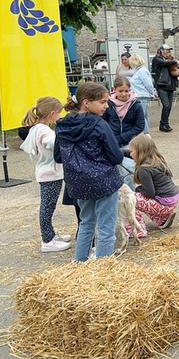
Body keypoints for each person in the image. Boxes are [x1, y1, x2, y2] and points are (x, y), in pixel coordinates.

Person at [54, 82, 124, 262]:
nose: (106, 106)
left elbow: (58, 156)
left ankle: (79, 265)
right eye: (102, 102)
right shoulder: (99, 124)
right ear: (86, 102)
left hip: (78, 183)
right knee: (106, 228)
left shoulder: (62, 125)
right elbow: (116, 156)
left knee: (86, 223)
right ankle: (103, 270)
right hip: (104, 181)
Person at [20, 97, 72, 253]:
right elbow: (51, 143)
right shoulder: (44, 130)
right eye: (59, 114)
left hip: (47, 172)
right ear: (53, 113)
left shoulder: (37, 127)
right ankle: (47, 240)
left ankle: (50, 234)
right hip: (50, 174)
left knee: (48, 206)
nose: (60, 117)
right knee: (47, 208)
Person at [129, 134, 179, 235]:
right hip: (172, 199)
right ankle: (162, 219)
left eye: (131, 152)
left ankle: (139, 230)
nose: (130, 155)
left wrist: (138, 189)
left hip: (164, 203)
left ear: (140, 152)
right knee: (143, 199)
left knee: (130, 198)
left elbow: (149, 193)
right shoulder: (156, 160)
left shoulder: (144, 169)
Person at [102, 77, 145, 149]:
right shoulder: (108, 104)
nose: (124, 94)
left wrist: (122, 138)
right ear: (114, 90)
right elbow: (103, 121)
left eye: (126, 91)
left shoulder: (136, 105)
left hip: (130, 141)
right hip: (112, 141)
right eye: (120, 91)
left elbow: (140, 126)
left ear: (130, 90)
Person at [151, 44, 179, 132]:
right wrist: (175, 61)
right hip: (161, 86)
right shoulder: (157, 59)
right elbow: (164, 63)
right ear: (161, 51)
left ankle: (164, 124)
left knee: (169, 106)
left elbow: (174, 70)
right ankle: (164, 124)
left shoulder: (167, 60)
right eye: (166, 51)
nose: (168, 52)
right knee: (166, 105)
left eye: (169, 51)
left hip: (170, 85)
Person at [128, 54, 157, 134]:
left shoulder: (142, 71)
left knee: (141, 117)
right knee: (144, 116)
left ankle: (145, 133)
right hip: (141, 96)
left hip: (141, 96)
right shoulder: (140, 71)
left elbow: (148, 84)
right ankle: (146, 133)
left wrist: (152, 92)